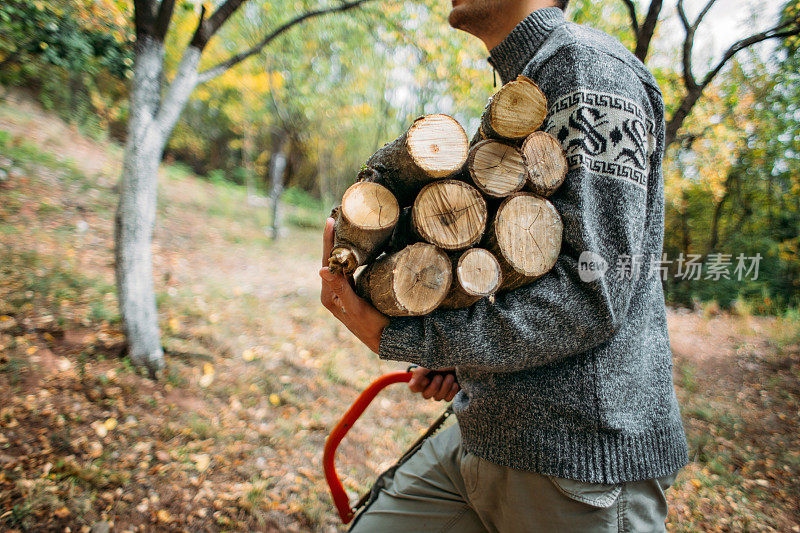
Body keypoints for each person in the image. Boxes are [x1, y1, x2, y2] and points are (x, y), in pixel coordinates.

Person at [319, 0, 689, 530]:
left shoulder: (588, 68)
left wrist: (403, 337)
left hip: (577, 467)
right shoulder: (526, 84)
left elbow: (590, 295)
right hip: (483, 437)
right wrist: (463, 357)